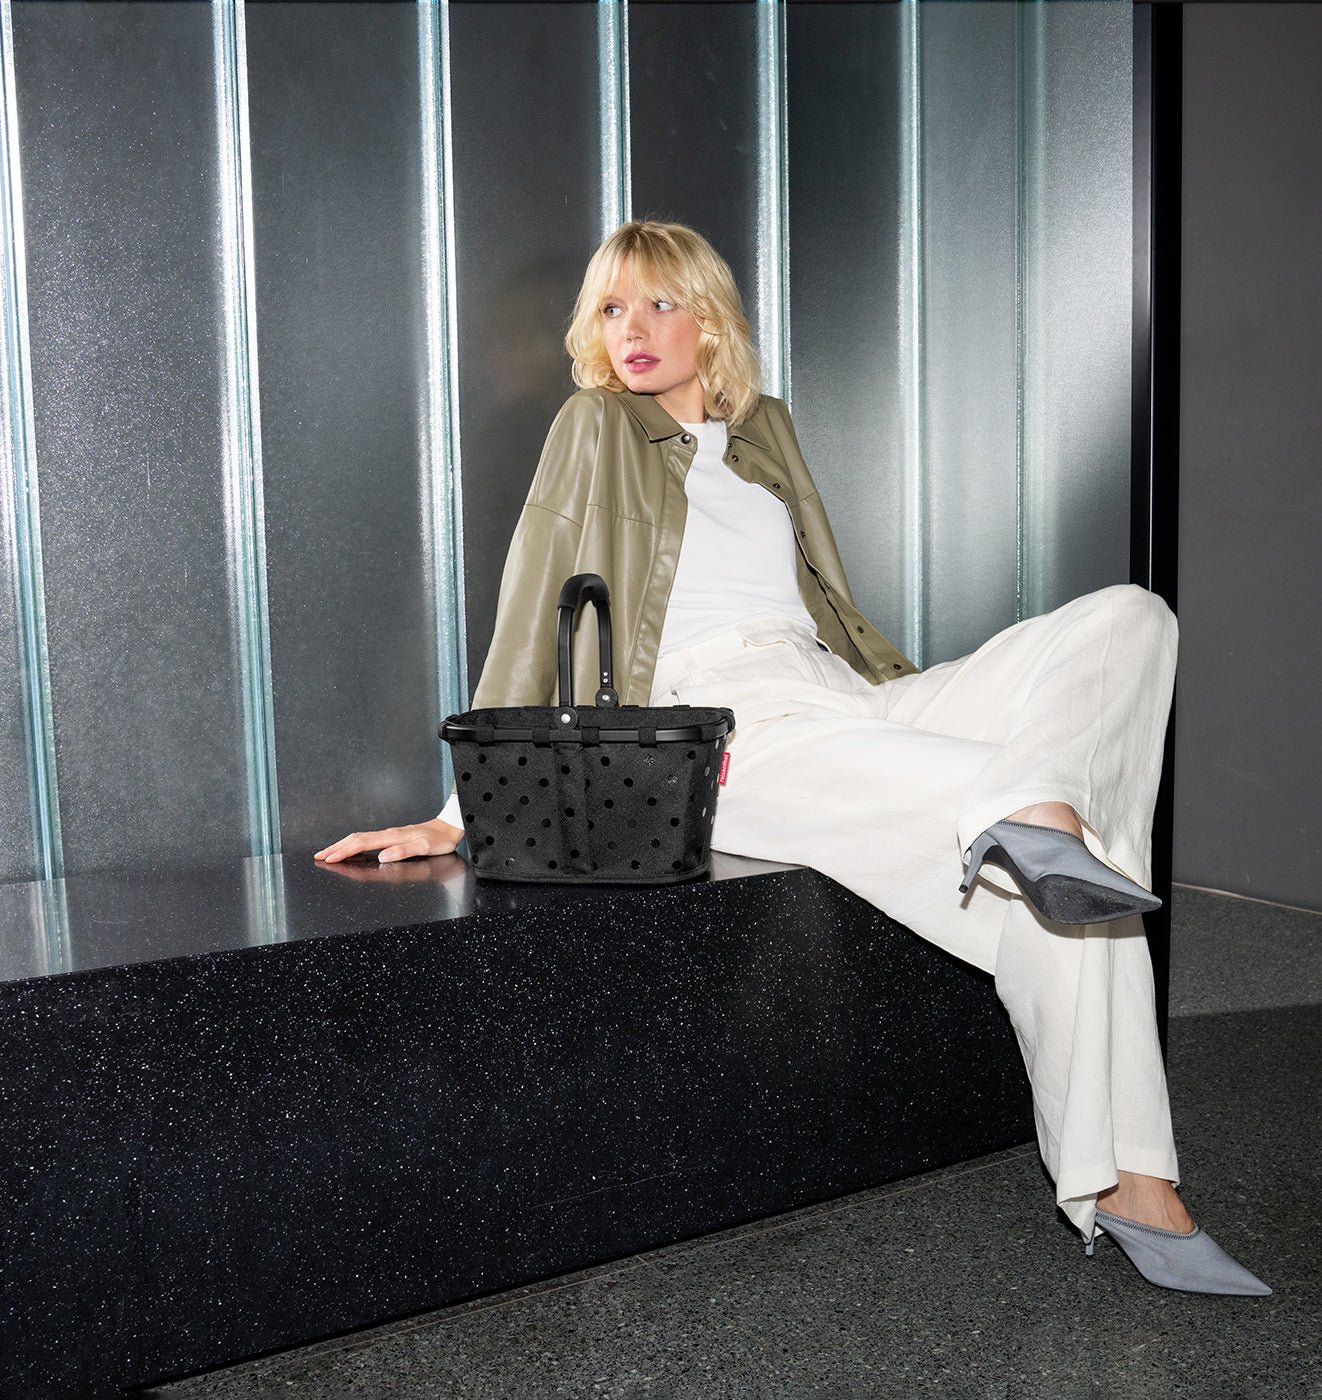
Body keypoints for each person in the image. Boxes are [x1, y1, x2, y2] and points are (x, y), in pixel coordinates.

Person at [316, 221, 1270, 1296]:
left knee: (1130, 618)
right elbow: (536, 603)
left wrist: (894, 700)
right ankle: (1134, 1179)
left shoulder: (764, 430)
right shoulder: (593, 425)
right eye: (613, 307)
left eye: (661, 303)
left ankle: (1031, 816)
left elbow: (825, 607)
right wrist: (463, 809)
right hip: (730, 731)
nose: (632, 328)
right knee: (1058, 851)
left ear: (710, 320)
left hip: (840, 694)